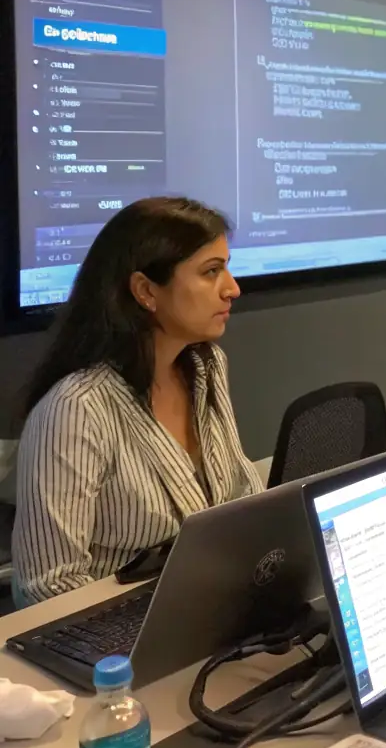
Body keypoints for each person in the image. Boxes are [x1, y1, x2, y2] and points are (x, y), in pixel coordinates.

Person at [13, 197, 262, 604]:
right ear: (146, 290)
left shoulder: (206, 367)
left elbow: (238, 498)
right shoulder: (77, 408)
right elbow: (48, 586)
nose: (233, 288)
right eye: (211, 272)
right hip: (115, 646)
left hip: (211, 607)